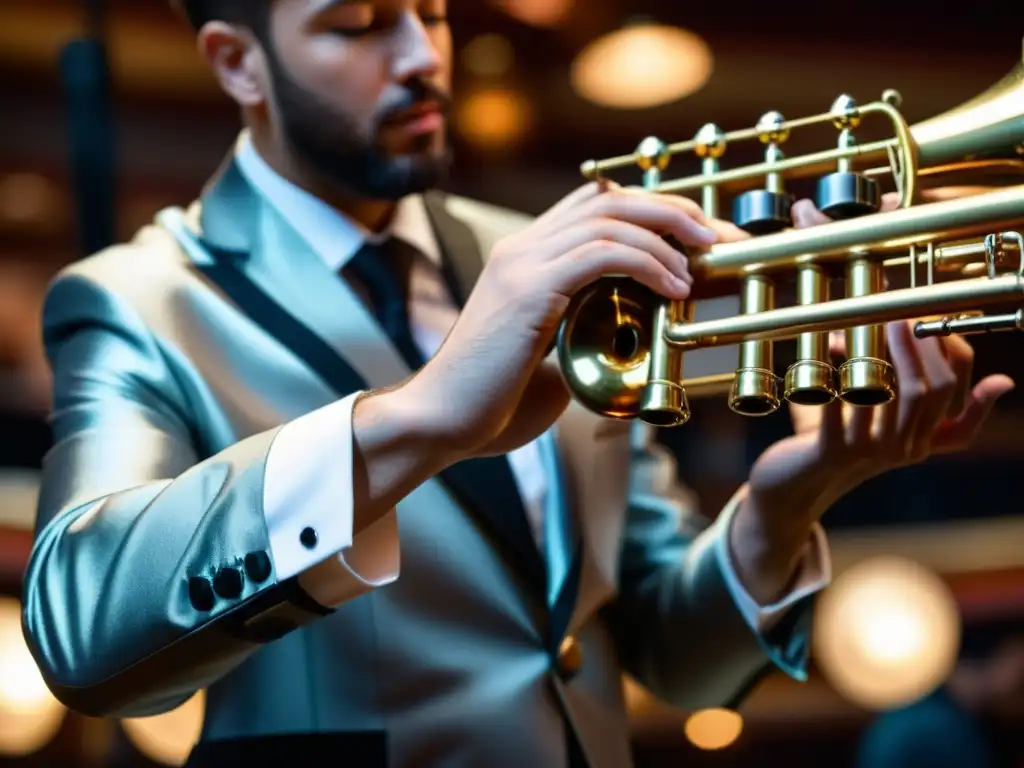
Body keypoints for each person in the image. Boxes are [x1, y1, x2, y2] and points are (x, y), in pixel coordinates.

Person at [20, 1, 1013, 766]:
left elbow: (670, 656)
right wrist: (420, 420)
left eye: (434, 12)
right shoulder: (138, 298)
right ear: (239, 61)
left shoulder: (530, 254)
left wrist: (789, 499)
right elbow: (83, 634)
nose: (423, 57)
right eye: (361, 24)